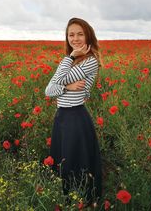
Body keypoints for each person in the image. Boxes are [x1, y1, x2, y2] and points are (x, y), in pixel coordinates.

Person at [45, 17, 103, 208]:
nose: (75, 38)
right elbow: (49, 90)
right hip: (62, 116)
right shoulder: (71, 61)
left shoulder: (91, 61)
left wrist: (68, 59)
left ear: (88, 35)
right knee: (65, 161)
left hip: (76, 117)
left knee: (75, 161)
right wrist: (68, 86)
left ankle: (82, 201)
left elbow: (56, 82)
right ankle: (68, 199)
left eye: (80, 34)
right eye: (71, 34)